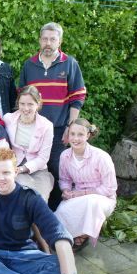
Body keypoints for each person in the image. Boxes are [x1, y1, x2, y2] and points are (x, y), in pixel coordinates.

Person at [18, 22, 86, 211]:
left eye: (52, 39)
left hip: (58, 129)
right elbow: (22, 96)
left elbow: (77, 96)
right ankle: (35, 209)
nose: (48, 43)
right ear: (40, 40)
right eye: (45, 39)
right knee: (34, 168)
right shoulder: (29, 65)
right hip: (32, 129)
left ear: (59, 41)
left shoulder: (69, 63)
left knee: (57, 169)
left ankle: (56, 211)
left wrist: (70, 128)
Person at [55, 118, 117, 252]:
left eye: (80, 135)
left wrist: (81, 193)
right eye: (72, 134)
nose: (75, 138)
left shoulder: (101, 157)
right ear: (68, 134)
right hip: (76, 195)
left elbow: (110, 188)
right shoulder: (65, 156)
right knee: (61, 212)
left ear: (88, 135)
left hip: (102, 198)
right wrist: (66, 190)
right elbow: (64, 179)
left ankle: (83, 236)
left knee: (91, 203)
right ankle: (66, 237)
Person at [3, 85, 54, 202]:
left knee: (40, 198)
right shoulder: (8, 119)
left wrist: (22, 169)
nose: (26, 108)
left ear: (38, 104)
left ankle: (38, 220)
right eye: (22, 104)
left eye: (30, 104)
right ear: (18, 103)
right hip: (14, 166)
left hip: (38, 169)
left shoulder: (47, 126)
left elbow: (43, 158)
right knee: (23, 193)